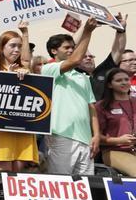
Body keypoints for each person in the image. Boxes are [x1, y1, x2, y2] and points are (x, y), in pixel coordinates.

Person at [41, 18, 100, 175]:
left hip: (86, 139)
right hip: (61, 136)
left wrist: (96, 135)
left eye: (73, 48)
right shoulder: (49, 69)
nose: (71, 50)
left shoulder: (83, 77)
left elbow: (91, 107)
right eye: (67, 47)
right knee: (61, 186)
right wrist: (87, 31)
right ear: (54, 51)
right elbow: (75, 60)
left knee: (85, 188)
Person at [0, 21, 38, 172]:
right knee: (3, 172)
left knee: (18, 173)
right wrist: (7, 77)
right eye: (12, 46)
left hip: (22, 127)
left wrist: (25, 33)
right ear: (2, 48)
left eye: (19, 46)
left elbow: (27, 62)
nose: (17, 50)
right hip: (0, 128)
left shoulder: (24, 69)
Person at [95, 68, 136, 176]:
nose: (124, 82)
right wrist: (119, 140)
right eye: (118, 80)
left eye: (126, 79)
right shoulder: (101, 106)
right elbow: (96, 136)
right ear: (109, 85)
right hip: (113, 151)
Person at [76, 13, 127, 99]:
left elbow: (118, 51)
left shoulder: (103, 70)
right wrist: (85, 27)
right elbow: (72, 46)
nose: (88, 58)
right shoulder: (71, 73)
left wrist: (121, 30)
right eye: (84, 57)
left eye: (91, 56)